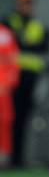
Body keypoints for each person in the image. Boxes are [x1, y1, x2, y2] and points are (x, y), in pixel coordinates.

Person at [3, 0, 47, 167]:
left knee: (24, 119)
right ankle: (9, 157)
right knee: (9, 119)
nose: (27, 6)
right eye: (24, 2)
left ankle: (18, 158)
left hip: (30, 78)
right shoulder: (8, 21)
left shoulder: (36, 24)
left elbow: (43, 47)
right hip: (10, 78)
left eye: (29, 2)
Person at [0, 24, 20, 168]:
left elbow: (13, 60)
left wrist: (7, 83)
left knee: (4, 122)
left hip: (2, 89)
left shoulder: (4, 34)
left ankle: (4, 157)